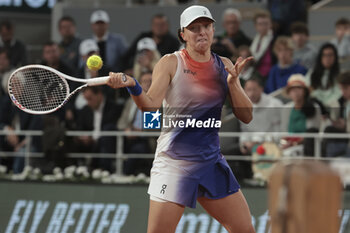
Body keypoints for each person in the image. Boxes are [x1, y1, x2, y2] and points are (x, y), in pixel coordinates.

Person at [107, 5, 255, 233]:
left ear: (213, 30)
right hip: (174, 164)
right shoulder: (170, 62)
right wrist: (133, 85)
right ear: (183, 34)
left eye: (206, 26)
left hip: (211, 161)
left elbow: (246, 116)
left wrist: (233, 84)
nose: (201, 32)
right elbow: (150, 108)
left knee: (245, 231)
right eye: (194, 28)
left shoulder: (224, 65)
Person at [305, 43, 342, 109]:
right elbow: (307, 90)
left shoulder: (340, 75)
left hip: (335, 105)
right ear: (320, 57)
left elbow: (340, 93)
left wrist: (329, 102)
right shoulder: (312, 74)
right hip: (316, 105)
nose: (327, 58)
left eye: (330, 55)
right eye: (324, 55)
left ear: (335, 57)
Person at [250, 10, 276, 80]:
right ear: (255, 26)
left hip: (270, 76)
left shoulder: (275, 40)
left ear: (270, 24)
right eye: (260, 24)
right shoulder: (253, 41)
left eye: (266, 24)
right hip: (256, 75)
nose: (263, 27)